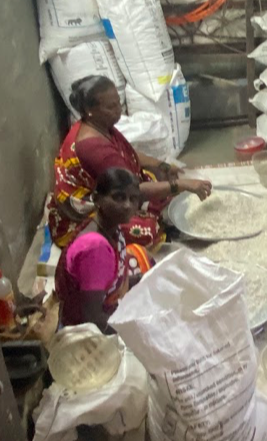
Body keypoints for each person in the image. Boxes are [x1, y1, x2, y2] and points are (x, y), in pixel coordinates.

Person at [47, 75, 211, 248]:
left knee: (159, 180)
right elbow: (133, 190)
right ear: (90, 110)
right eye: (111, 106)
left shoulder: (99, 126)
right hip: (88, 212)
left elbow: (126, 154)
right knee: (147, 230)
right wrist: (184, 185)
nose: (118, 109)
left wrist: (160, 165)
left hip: (115, 188)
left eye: (118, 102)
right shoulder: (93, 147)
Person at [54, 168, 146, 333]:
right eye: (118, 197)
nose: (127, 205)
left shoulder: (108, 227)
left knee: (147, 263)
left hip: (104, 296)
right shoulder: (95, 250)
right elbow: (93, 318)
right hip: (86, 326)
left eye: (133, 199)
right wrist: (134, 330)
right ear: (97, 199)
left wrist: (143, 280)